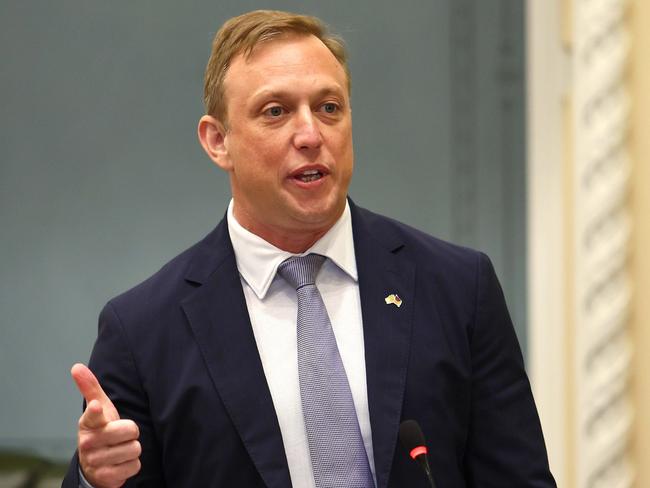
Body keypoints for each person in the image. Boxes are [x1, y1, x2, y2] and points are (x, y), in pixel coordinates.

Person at [62, 10, 556, 488]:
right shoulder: (144, 330)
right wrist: (94, 480)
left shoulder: (456, 287)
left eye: (329, 108)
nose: (311, 135)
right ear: (218, 142)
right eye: (275, 111)